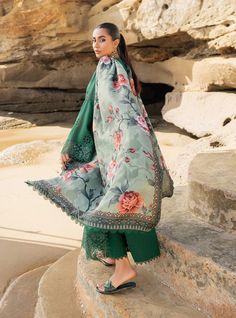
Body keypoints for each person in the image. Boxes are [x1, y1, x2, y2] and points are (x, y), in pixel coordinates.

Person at [25, 22, 174, 295]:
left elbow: (114, 111)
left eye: (102, 39)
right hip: (121, 149)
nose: (96, 45)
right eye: (93, 40)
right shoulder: (121, 67)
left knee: (103, 206)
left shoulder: (108, 67)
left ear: (116, 42)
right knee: (108, 201)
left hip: (121, 150)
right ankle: (112, 255)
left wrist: (73, 144)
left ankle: (123, 268)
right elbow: (109, 111)